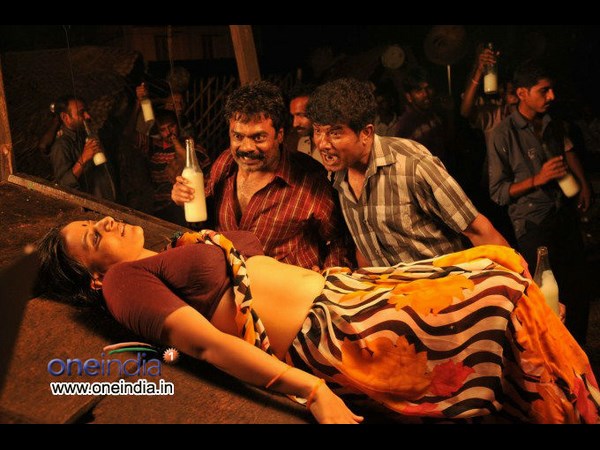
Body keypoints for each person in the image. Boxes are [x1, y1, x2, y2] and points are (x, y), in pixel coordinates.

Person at [35, 215, 600, 424]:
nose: (105, 224)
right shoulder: (123, 283)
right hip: (338, 329)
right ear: (94, 278)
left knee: (501, 268)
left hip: (349, 290)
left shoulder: (166, 253)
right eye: (93, 238)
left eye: (95, 221)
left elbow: (246, 262)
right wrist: (312, 393)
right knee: (502, 292)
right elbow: (206, 345)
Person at [305, 77, 510, 267]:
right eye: (317, 131)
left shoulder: (412, 165)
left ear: (366, 133)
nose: (322, 143)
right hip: (394, 290)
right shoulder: (338, 176)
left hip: (444, 286)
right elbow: (366, 249)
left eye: (335, 134)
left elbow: (479, 231)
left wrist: (521, 281)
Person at [171, 81, 353, 270]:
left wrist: (330, 277)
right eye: (238, 136)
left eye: (258, 137)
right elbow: (207, 223)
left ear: (279, 135)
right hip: (227, 281)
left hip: (288, 285)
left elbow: (340, 241)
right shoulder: (225, 163)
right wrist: (187, 199)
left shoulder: (309, 179)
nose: (246, 148)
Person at [487, 60, 594, 345]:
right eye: (544, 91)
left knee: (576, 287)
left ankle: (578, 351)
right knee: (545, 296)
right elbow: (498, 192)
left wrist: (583, 184)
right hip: (532, 221)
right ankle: (550, 353)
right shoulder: (503, 134)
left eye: (551, 90)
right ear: (522, 93)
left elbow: (567, 151)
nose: (551, 96)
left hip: (562, 211)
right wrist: (538, 179)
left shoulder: (551, 123)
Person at [134, 108, 210, 226]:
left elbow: (191, 167)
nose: (168, 132)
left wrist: (175, 142)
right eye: (163, 129)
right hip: (162, 209)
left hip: (190, 206)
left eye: (171, 126)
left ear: (178, 125)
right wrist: (137, 107)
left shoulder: (194, 148)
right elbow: (128, 135)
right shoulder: (153, 146)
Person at [49, 95, 117, 202]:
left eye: (86, 111)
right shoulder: (61, 146)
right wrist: (83, 159)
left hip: (109, 200)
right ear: (65, 117)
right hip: (92, 207)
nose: (87, 116)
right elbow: (63, 185)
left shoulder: (85, 136)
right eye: (81, 113)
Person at [396, 66, 454, 171]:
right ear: (409, 97)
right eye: (419, 91)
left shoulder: (435, 112)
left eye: (428, 88)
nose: (426, 94)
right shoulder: (405, 125)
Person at [283, 83, 323, 165]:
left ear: (316, 111)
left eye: (301, 115)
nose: (295, 124)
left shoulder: (331, 145)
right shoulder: (302, 143)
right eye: (293, 116)